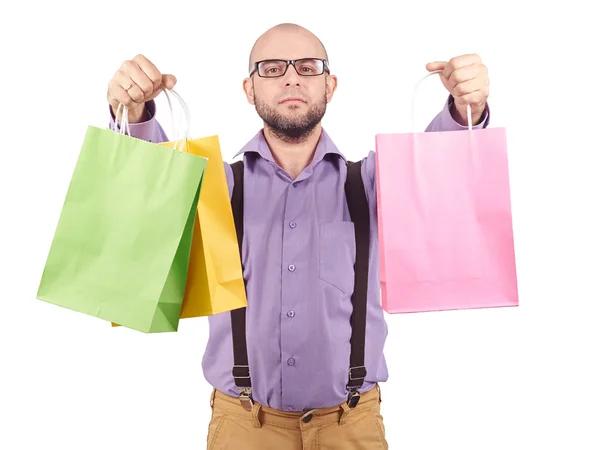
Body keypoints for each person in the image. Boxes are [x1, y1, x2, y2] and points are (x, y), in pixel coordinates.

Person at [106, 22, 490, 450]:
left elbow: (436, 178)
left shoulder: (370, 184)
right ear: (250, 89)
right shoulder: (219, 188)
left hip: (352, 426)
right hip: (242, 428)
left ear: (330, 84)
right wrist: (135, 114)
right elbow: (156, 194)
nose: (291, 77)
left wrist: (462, 109)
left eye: (308, 67)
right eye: (272, 69)